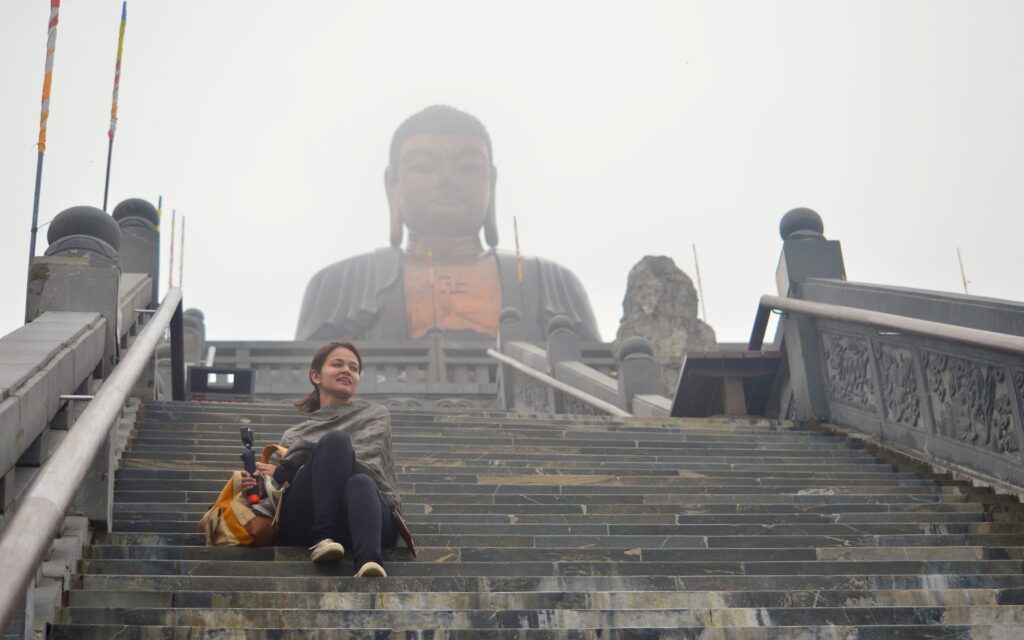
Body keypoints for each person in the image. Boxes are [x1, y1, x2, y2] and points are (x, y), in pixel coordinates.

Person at [295, 105, 599, 342]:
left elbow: (602, 377)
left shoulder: (550, 283)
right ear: (393, 184)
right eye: (424, 167)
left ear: (491, 183)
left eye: (467, 167)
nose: (446, 180)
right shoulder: (340, 284)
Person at [241, 340, 405, 576]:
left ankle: (369, 562)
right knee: (336, 442)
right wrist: (258, 482)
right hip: (306, 522)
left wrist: (296, 465)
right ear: (316, 376)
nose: (347, 370)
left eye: (354, 368)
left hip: (366, 515)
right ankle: (323, 539)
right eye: (337, 364)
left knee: (358, 478)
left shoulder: (374, 416)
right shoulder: (295, 434)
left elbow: (367, 469)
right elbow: (280, 489)